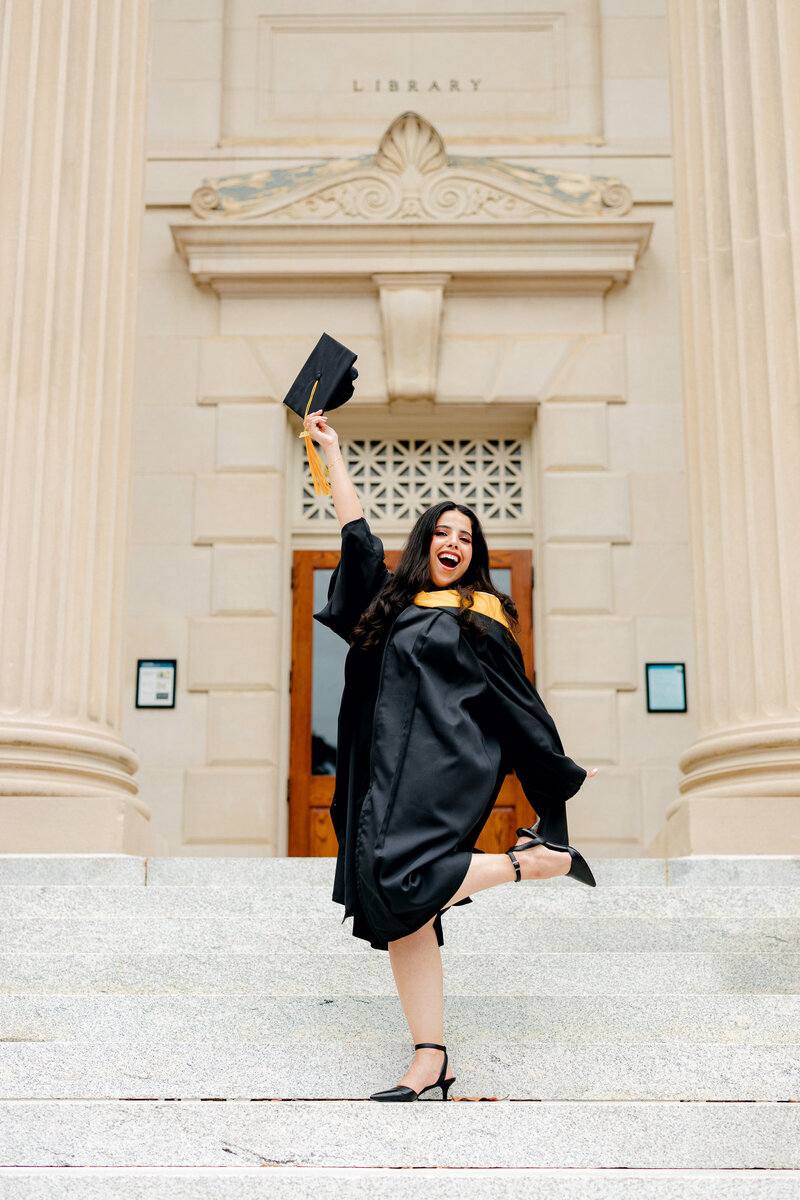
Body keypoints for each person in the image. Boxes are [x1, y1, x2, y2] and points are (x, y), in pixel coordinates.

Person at [305, 408, 599, 1103]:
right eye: (441, 532)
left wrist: (551, 792)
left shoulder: (481, 614)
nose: (454, 542)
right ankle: (429, 1056)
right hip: (382, 775)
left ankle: (534, 863)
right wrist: (332, 455)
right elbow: (357, 538)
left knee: (402, 878)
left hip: (443, 768)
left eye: (466, 536)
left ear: (477, 552)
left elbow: (518, 703)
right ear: (425, 543)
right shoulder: (395, 603)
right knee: (398, 909)